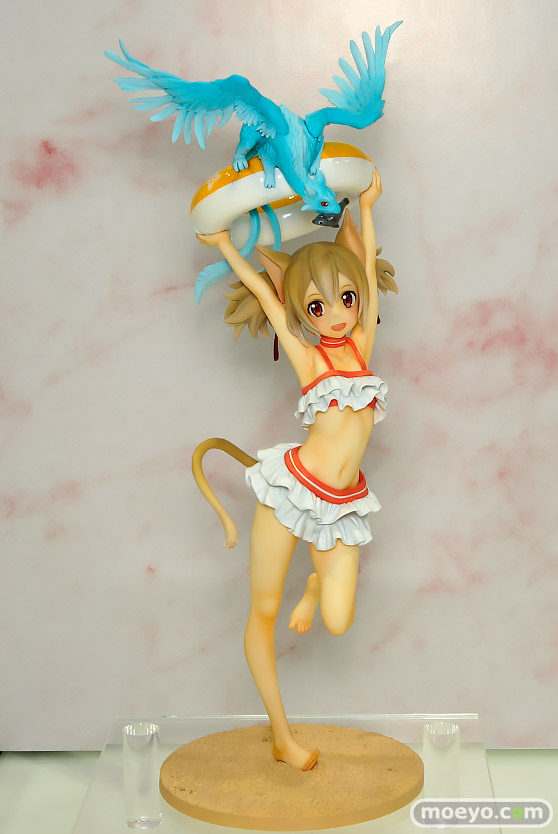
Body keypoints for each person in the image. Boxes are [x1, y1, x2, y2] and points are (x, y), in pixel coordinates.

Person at [196, 170, 396, 770]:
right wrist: (225, 244)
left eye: (345, 299)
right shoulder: (309, 359)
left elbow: (368, 271)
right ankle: (282, 736)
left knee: (338, 620)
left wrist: (367, 207)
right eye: (316, 305)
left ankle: (313, 584)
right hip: (290, 493)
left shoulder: (362, 345)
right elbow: (265, 296)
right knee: (262, 611)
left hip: (343, 505)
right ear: (300, 309)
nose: (336, 315)